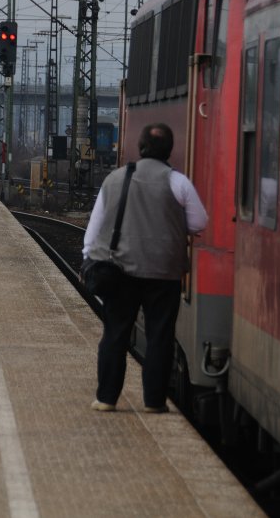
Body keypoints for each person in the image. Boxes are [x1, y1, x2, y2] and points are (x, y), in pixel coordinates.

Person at [83, 123, 208, 413]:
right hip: (163, 273)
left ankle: (106, 398)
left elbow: (94, 228)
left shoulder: (115, 179)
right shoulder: (179, 183)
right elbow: (199, 222)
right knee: (160, 336)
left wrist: (88, 259)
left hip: (119, 270)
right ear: (170, 150)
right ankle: (153, 401)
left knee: (115, 334)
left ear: (140, 148)